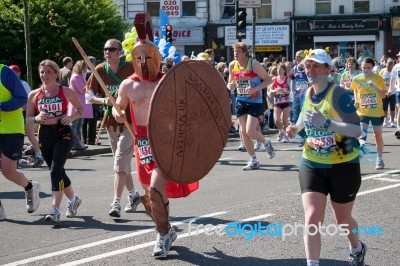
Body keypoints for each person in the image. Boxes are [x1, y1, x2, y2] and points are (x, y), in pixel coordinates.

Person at [112, 32, 198, 258]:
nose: (142, 63)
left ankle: (161, 236)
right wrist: (117, 113)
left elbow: (186, 108)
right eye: (138, 58)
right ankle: (167, 229)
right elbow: (118, 107)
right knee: (151, 198)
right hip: (142, 142)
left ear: (156, 57)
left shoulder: (167, 81)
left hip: (164, 139)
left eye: (147, 58)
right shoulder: (127, 85)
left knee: (155, 191)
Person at [285, 49, 366, 266]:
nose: (310, 70)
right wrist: (294, 128)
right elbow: (304, 117)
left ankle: (357, 247)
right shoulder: (305, 93)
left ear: (327, 69)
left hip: (343, 164)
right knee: (311, 217)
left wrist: (327, 123)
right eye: (307, 66)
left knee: (342, 220)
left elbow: (357, 130)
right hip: (311, 161)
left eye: (315, 66)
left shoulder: (338, 94)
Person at [86, 39, 140, 217]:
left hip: (130, 121)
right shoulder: (100, 70)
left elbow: (144, 86)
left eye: (111, 49)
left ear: (119, 52)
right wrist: (104, 101)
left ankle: (115, 203)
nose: (107, 52)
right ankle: (133, 195)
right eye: (105, 49)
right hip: (111, 121)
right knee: (122, 162)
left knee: (119, 160)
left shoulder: (131, 68)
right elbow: (89, 95)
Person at [25, 60, 83, 223]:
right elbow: (28, 119)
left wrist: (70, 117)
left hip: (63, 134)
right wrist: (36, 118)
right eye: (42, 72)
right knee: (58, 171)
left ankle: (55, 209)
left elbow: (80, 110)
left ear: (56, 73)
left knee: (55, 169)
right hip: (45, 135)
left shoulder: (65, 91)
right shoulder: (34, 94)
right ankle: (73, 199)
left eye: (49, 72)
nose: (45, 75)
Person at [0, 64, 41, 221]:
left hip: (11, 129)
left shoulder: (4, 72)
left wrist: (2, 107)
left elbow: (22, 98)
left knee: (8, 171)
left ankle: (30, 187)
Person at [227, 42, 275, 171]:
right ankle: (253, 160)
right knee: (243, 132)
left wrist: (255, 89)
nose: (235, 54)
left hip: (255, 101)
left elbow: (268, 80)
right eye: (234, 52)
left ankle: (266, 142)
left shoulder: (253, 64)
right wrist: (230, 86)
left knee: (250, 131)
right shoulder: (232, 65)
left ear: (244, 52)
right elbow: (231, 82)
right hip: (240, 100)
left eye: (237, 52)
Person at [351, 57, 387, 170]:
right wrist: (356, 100)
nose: (366, 70)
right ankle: (359, 156)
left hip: (376, 111)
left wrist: (374, 87)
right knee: (362, 134)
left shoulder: (378, 78)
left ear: (372, 67)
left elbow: (383, 95)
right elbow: (355, 90)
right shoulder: (357, 79)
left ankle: (379, 159)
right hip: (362, 111)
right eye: (363, 68)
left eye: (368, 68)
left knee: (377, 136)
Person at [8, 65, 44, 167]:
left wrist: (28, 113)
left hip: (26, 112)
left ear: (18, 73)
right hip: (16, 113)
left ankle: (39, 155)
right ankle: (17, 158)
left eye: (14, 72)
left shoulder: (23, 84)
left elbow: (29, 100)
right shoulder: (9, 84)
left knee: (30, 135)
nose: (12, 75)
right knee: (16, 136)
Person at [68, 60, 91, 150]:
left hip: (79, 103)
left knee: (78, 125)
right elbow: (83, 90)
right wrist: (90, 87)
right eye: (85, 67)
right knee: (75, 125)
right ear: (81, 67)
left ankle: (78, 143)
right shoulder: (76, 77)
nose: (86, 69)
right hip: (77, 104)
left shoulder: (79, 76)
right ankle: (75, 144)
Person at [269, 62, 291, 143]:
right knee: (276, 120)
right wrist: (275, 90)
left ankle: (286, 136)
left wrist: (284, 91)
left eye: (280, 69)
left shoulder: (287, 79)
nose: (279, 70)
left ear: (284, 70)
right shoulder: (274, 79)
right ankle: (281, 131)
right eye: (278, 69)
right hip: (277, 102)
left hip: (285, 102)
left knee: (284, 120)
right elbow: (270, 90)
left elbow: (290, 91)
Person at [290, 50, 309, 147]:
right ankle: (302, 135)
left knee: (306, 116)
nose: (296, 58)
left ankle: (306, 136)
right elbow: (292, 81)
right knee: (296, 116)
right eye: (296, 56)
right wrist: (292, 92)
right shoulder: (294, 69)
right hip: (297, 96)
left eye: (298, 56)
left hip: (306, 96)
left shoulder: (307, 69)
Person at [83, 56, 100, 145]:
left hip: (84, 100)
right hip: (92, 99)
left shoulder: (84, 72)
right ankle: (91, 139)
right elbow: (94, 86)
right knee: (92, 121)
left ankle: (84, 139)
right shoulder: (92, 73)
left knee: (85, 121)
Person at [379, 59, 396, 127]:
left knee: (392, 107)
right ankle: (385, 119)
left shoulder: (394, 71)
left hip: (393, 92)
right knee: (384, 107)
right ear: (386, 65)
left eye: (391, 66)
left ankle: (392, 121)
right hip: (384, 93)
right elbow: (379, 81)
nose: (389, 67)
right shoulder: (382, 71)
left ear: (392, 66)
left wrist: (391, 90)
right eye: (388, 65)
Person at [389, 55, 400, 139]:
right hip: (399, 90)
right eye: (399, 56)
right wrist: (390, 89)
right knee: (399, 108)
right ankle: (399, 128)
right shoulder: (396, 67)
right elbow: (392, 79)